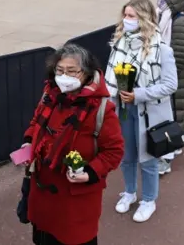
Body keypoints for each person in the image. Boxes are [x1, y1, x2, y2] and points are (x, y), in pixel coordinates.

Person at [23, 44, 124, 245]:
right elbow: (36, 123)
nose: (63, 76)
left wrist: (90, 171)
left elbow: (114, 150)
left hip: (74, 201)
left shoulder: (101, 108)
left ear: (86, 73)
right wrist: (28, 143)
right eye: (59, 71)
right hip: (43, 195)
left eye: (71, 71)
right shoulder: (49, 95)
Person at [107, 0, 178, 222]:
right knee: (126, 157)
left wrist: (138, 94)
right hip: (124, 110)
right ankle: (129, 192)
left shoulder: (162, 50)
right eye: (125, 16)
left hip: (149, 113)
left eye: (132, 16)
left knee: (148, 160)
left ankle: (149, 200)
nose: (127, 21)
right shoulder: (119, 43)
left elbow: (170, 85)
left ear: (145, 19)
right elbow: (111, 76)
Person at [155, 0, 184, 175]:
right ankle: (176, 141)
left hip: (173, 74)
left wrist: (167, 72)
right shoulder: (163, 17)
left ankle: (172, 146)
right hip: (165, 73)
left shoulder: (179, 21)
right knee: (172, 109)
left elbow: (180, 51)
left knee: (175, 110)